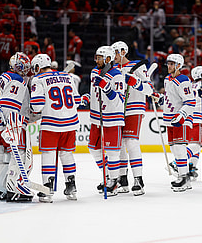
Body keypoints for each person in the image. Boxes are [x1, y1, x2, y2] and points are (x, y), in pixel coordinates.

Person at [30, 54, 81, 203]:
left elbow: (37, 106)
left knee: (48, 155)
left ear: (38, 67)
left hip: (51, 123)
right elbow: (77, 101)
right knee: (67, 155)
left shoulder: (38, 80)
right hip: (71, 122)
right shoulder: (67, 77)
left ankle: (47, 190)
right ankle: (71, 187)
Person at [0, 52, 33, 202]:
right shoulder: (17, 80)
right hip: (10, 123)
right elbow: (9, 105)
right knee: (20, 153)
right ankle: (15, 188)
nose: (27, 70)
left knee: (2, 156)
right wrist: (11, 126)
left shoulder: (4, 76)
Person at [112, 41, 153, 195]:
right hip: (116, 110)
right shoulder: (114, 69)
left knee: (131, 141)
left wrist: (135, 82)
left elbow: (149, 89)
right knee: (119, 144)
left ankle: (138, 179)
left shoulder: (138, 66)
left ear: (123, 51)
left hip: (134, 108)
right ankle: (122, 179)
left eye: (115, 52)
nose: (113, 56)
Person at [84, 46, 125, 196]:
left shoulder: (117, 75)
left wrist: (107, 88)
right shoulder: (94, 71)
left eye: (100, 58)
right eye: (96, 57)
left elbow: (120, 101)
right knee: (93, 148)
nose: (97, 60)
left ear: (108, 59)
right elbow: (93, 91)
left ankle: (114, 181)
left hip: (112, 118)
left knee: (112, 152)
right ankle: (108, 175)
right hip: (96, 117)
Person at [160, 53, 195, 191]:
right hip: (170, 119)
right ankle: (182, 177)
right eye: (168, 63)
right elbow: (170, 98)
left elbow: (190, 101)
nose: (169, 66)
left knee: (180, 148)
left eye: (171, 64)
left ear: (179, 65)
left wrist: (182, 115)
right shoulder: (167, 79)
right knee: (175, 149)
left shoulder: (183, 80)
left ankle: (184, 178)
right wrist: (160, 99)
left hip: (180, 119)